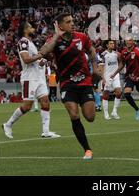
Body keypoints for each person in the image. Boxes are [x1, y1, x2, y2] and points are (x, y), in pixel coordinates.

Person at [39, 13, 99, 160]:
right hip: (67, 83)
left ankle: (87, 147)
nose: (72, 24)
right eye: (68, 22)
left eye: (72, 21)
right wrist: (55, 36)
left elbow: (91, 50)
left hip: (84, 82)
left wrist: (95, 68)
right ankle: (87, 150)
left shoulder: (81, 37)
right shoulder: (54, 41)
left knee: (90, 117)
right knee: (74, 114)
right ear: (60, 26)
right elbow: (43, 52)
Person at [2, 21, 60, 139]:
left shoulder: (30, 43)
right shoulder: (23, 42)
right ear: (25, 30)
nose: (33, 29)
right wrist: (41, 55)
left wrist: (42, 61)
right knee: (27, 106)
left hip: (39, 77)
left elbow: (35, 60)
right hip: (30, 78)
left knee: (45, 102)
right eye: (31, 27)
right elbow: (27, 59)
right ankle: (8, 124)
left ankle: (46, 131)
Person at [101, 40, 123, 120]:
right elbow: (101, 66)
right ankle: (106, 113)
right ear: (107, 45)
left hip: (115, 75)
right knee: (106, 94)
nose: (112, 45)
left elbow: (121, 63)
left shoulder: (117, 54)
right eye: (110, 43)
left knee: (119, 92)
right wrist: (103, 78)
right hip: (107, 76)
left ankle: (114, 111)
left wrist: (117, 71)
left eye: (113, 43)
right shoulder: (103, 54)